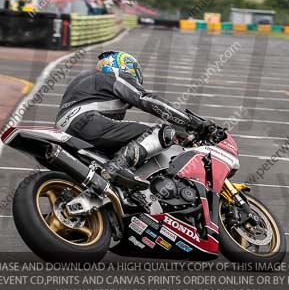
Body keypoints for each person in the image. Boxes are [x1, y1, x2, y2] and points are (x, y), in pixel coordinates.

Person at [55, 51, 213, 194]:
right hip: (88, 123)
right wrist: (191, 122)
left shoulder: (84, 81)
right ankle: (116, 167)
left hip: (67, 131)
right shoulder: (114, 76)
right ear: (123, 66)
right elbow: (147, 100)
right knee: (162, 132)